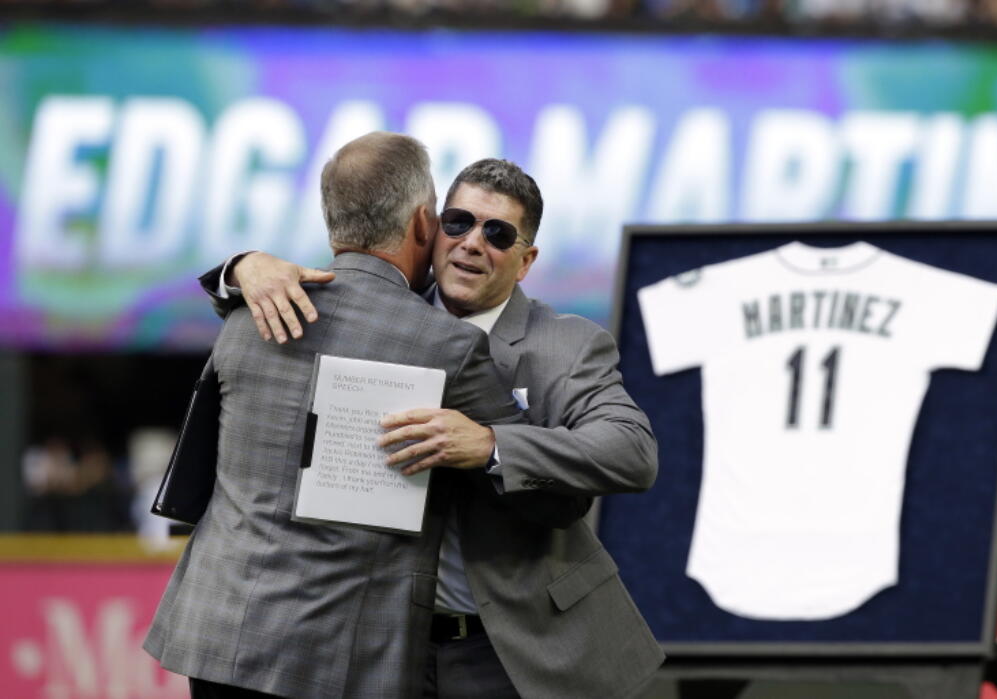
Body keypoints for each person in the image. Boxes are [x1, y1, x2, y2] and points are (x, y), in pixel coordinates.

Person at [205, 158, 665, 698]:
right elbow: (272, 308)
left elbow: (632, 450)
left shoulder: (566, 344)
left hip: (508, 646)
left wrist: (492, 445)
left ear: (525, 261)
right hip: (381, 646)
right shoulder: (376, 315)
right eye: (458, 222)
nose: (472, 242)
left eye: (497, 233)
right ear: (430, 230)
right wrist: (241, 267)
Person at [145, 133, 526, 699]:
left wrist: (241, 267)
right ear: (423, 223)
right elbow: (532, 479)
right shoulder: (447, 345)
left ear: (333, 222)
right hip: (342, 658)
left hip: (219, 635)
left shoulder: (246, 318)